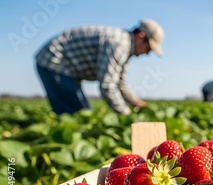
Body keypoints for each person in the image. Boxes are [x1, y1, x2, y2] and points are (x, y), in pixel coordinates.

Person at [35, 19, 164, 115]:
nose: (147, 53)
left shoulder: (125, 47)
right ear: (140, 35)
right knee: (76, 114)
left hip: (65, 68)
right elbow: (107, 85)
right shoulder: (119, 45)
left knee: (82, 112)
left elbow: (120, 82)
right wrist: (125, 115)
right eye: (149, 48)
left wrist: (135, 102)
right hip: (53, 62)